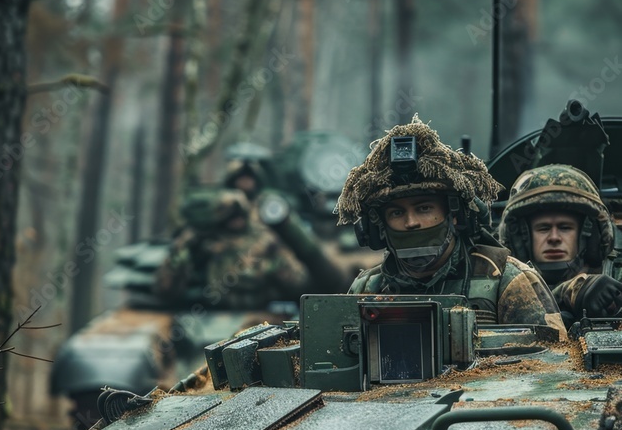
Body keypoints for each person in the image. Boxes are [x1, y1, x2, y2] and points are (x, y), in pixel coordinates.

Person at [335, 117, 562, 329]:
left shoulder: (507, 281)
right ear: (379, 226)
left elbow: (553, 365)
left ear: (455, 215)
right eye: (396, 212)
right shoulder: (367, 289)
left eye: (424, 208)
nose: (411, 222)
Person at [498, 164, 622, 321]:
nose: (554, 237)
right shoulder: (496, 284)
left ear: (588, 234)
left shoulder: (617, 274)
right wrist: (569, 293)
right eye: (543, 228)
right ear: (523, 238)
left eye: (565, 228)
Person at [154, 187, 310, 310]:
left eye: (239, 215)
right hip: (208, 315)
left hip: (260, 316)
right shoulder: (203, 241)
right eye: (229, 216)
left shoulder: (265, 240)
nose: (235, 221)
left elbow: (299, 283)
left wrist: (268, 267)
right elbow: (166, 290)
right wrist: (182, 253)